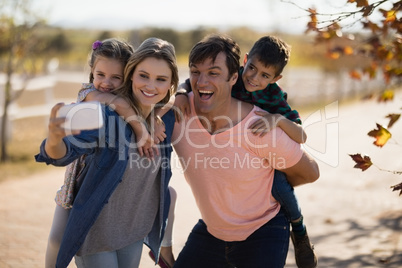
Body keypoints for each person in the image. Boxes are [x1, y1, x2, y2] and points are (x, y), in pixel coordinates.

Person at [171, 34, 320, 268]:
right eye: (195, 71)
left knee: (279, 184)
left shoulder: (263, 122)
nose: (202, 81)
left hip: (264, 230)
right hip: (213, 229)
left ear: (232, 77)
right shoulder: (178, 114)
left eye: (213, 73)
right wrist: (179, 94)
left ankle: (298, 229)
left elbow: (309, 170)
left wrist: (265, 184)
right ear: (244, 65)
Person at [36, 37, 179, 268]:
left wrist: (154, 116)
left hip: (131, 232)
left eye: (161, 79)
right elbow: (65, 151)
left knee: (171, 194)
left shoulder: (164, 117)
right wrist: (54, 140)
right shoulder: (102, 111)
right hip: (90, 220)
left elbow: (177, 95)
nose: (151, 85)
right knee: (56, 239)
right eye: (143, 76)